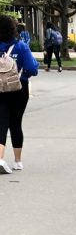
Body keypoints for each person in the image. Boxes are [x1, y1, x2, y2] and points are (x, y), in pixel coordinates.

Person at [0, 15, 40, 174]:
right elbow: (32, 68)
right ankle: (17, 161)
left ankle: (0, 158)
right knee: (16, 123)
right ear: (13, 29)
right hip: (19, 89)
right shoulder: (21, 46)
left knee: (1, 123)